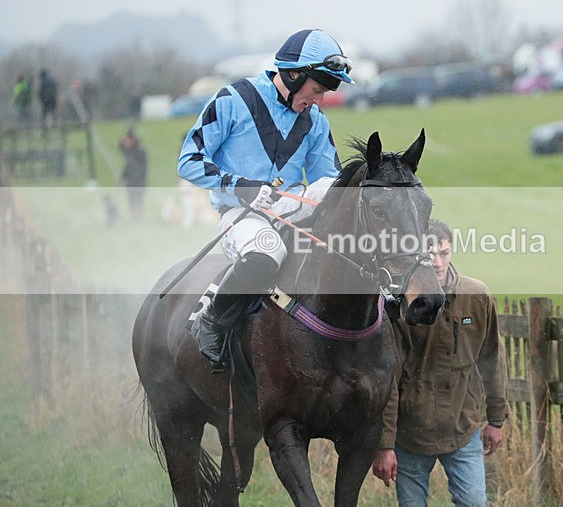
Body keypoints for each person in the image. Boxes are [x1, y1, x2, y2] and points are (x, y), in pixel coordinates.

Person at [176, 28, 353, 369]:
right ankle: (211, 321)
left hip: (291, 207)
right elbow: (189, 161)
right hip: (240, 213)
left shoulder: (315, 121)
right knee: (268, 251)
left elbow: (328, 181)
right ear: (294, 75)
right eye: (317, 90)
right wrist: (242, 187)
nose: (319, 101)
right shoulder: (232, 100)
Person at [372, 218, 509, 507]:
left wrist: (496, 420)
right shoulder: (399, 305)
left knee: (474, 503)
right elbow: (389, 379)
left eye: (443, 253)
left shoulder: (476, 296)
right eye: (429, 254)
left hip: (462, 427)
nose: (436, 262)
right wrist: (385, 444)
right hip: (411, 433)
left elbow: (492, 358)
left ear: (451, 252)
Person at [119, 126, 148, 220]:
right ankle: (135, 218)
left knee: (138, 201)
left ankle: (139, 218)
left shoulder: (139, 152)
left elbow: (139, 169)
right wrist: (124, 177)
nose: (125, 141)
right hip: (131, 182)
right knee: (132, 201)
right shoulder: (130, 151)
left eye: (127, 139)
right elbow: (127, 166)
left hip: (138, 182)